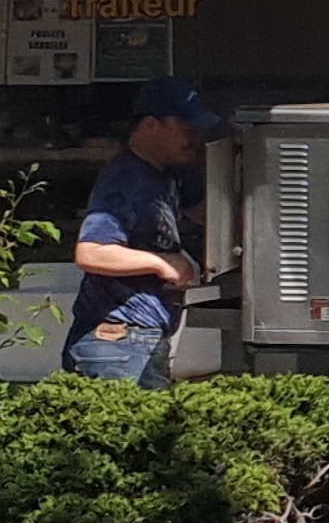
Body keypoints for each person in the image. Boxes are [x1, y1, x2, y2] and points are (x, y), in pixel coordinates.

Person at [65, 76, 227, 387]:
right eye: (187, 130)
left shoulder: (172, 173)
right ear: (151, 125)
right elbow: (91, 252)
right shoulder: (124, 180)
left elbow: (206, 213)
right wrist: (162, 263)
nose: (194, 139)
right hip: (117, 337)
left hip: (144, 333)